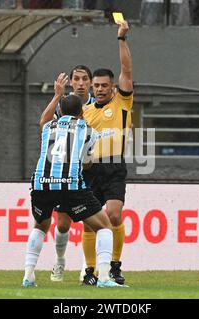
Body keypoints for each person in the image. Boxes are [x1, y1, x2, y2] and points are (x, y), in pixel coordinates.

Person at [22, 94, 126, 288]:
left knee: (40, 227)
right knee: (104, 226)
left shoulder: (48, 127)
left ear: (60, 111)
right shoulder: (88, 130)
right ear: (82, 112)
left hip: (42, 183)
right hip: (70, 184)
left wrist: (56, 94)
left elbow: (43, 119)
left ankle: (28, 276)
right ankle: (103, 278)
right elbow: (87, 164)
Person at [79, 19, 134, 286]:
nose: (100, 89)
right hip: (90, 169)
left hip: (113, 166)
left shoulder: (122, 101)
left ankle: (114, 266)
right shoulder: (86, 112)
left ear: (112, 87)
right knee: (89, 223)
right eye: (96, 86)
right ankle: (90, 270)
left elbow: (126, 69)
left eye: (104, 85)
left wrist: (121, 39)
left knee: (113, 215)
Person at [38, 66, 95, 282]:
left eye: (84, 79)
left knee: (91, 222)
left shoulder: (97, 103)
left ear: (90, 82)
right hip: (65, 171)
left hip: (90, 169)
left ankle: (86, 269)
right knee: (62, 224)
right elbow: (43, 123)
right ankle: (60, 260)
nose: (80, 83)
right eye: (77, 79)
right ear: (71, 82)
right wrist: (56, 95)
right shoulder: (65, 105)